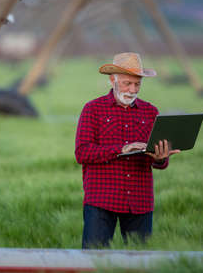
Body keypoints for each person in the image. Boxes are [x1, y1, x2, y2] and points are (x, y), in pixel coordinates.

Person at [75, 52, 180, 249]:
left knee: (141, 261)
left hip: (139, 200)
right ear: (112, 80)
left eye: (137, 84)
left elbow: (159, 162)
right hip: (101, 198)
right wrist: (121, 149)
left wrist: (160, 158)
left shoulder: (151, 112)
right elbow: (82, 153)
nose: (132, 90)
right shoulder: (92, 109)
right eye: (126, 83)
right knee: (93, 259)